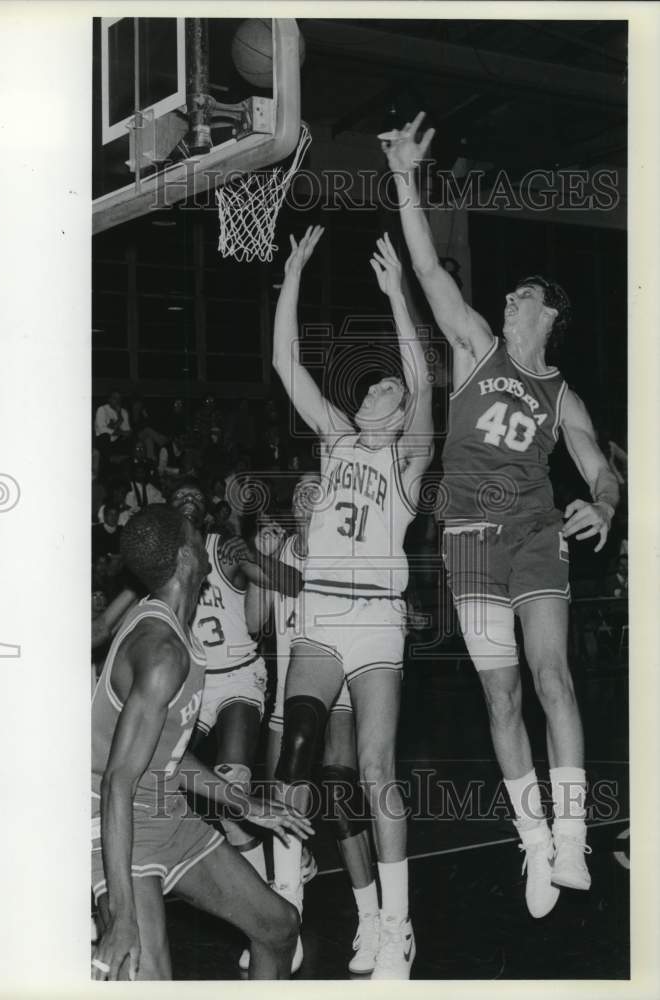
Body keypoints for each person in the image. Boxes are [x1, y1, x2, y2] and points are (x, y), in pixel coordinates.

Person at [382, 111, 621, 917]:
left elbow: (595, 465)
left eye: (519, 297)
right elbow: (425, 268)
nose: (506, 301)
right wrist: (405, 179)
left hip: (534, 533)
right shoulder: (477, 346)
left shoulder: (563, 394)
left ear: (544, 313)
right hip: (469, 542)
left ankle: (575, 838)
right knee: (502, 697)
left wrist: (605, 501)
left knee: (554, 676)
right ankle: (533, 843)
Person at [271, 226, 434, 979]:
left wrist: (399, 292)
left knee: (375, 772)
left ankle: (396, 927)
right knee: (298, 757)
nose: (385, 390)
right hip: (321, 615)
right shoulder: (337, 442)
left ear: (402, 416)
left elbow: (425, 381)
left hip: (376, 622)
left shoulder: (406, 462)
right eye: (376, 385)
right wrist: (294, 274)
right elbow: (284, 362)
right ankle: (288, 914)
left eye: (392, 389)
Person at [91, 505, 311, 981]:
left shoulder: (174, 627)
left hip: (164, 809)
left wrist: (243, 803)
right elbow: (116, 784)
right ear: (187, 556)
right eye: (195, 532)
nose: (205, 534)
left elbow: (164, 755)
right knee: (146, 976)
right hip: (113, 820)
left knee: (278, 926)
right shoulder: (162, 650)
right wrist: (123, 916)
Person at [245, 472, 380, 975]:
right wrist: (259, 562)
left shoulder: (346, 554)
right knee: (281, 808)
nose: (309, 495)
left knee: (342, 801)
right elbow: (257, 621)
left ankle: (374, 919)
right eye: (301, 490)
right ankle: (287, 925)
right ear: (292, 506)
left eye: (318, 490)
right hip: (288, 701)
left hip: (339, 693)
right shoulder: (278, 554)